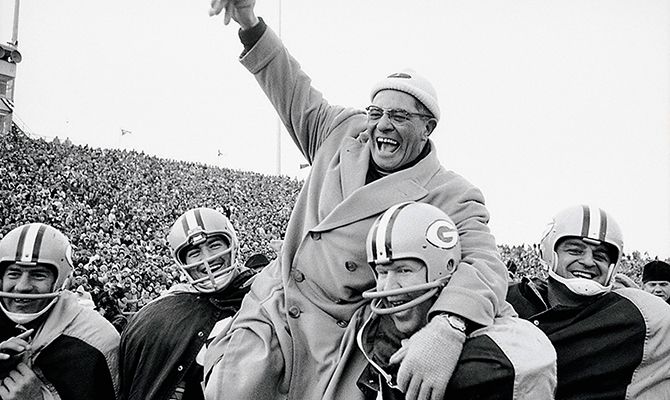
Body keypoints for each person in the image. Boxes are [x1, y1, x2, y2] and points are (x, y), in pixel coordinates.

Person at [205, 2, 513, 400]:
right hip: (277, 305)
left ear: (428, 128)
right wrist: (249, 23)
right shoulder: (340, 131)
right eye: (376, 112)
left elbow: (485, 263)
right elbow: (290, 86)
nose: (382, 125)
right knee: (231, 389)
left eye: (399, 117)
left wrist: (447, 326)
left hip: (343, 332)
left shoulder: (450, 193)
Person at [324, 202, 556, 399]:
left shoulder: (504, 346)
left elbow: (530, 359)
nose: (389, 287)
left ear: (444, 268)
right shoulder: (375, 330)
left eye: (404, 270)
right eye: (382, 272)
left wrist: (461, 361)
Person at [507, 205, 670, 399]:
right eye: (575, 251)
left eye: (600, 256)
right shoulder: (506, 299)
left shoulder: (639, 314)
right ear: (549, 252)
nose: (588, 261)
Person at [119, 207, 255, 400]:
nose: (207, 258)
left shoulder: (263, 293)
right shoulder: (164, 311)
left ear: (232, 244)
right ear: (183, 262)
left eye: (214, 245)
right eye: (194, 252)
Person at [0, 223, 119, 400]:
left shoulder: (98, 341)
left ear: (61, 282)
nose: (22, 287)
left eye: (38, 275)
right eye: (14, 273)